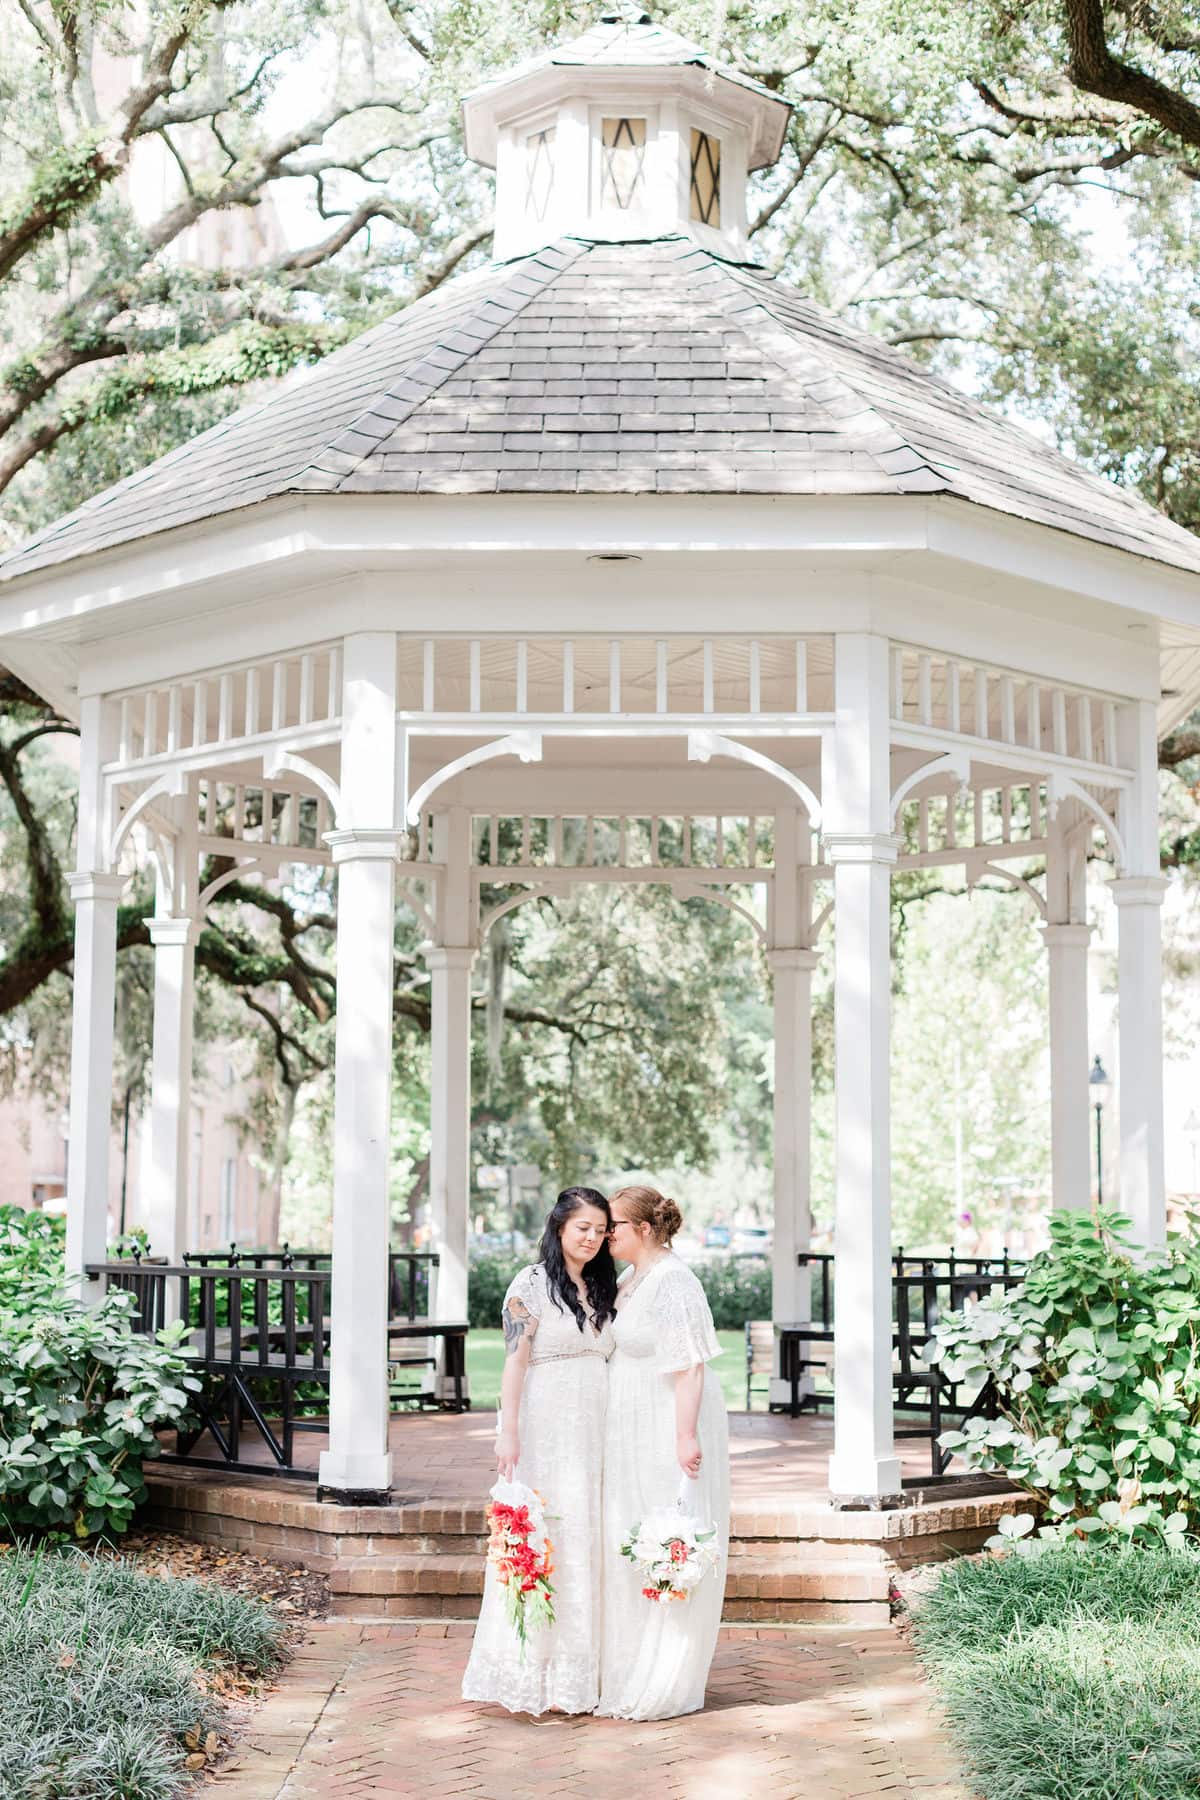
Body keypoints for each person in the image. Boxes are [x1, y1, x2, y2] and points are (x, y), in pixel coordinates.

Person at [461, 1187, 617, 1716]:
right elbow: (514, 1362)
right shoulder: (530, 1284)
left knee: (589, 1536)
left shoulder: (604, 1284)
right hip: (548, 1421)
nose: (593, 1238)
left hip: (600, 1428)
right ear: (558, 1228)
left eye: (601, 1229)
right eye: (583, 1228)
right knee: (552, 1532)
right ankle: (536, 1673)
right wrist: (507, 1429)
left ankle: (588, 1673)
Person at [596, 1184, 729, 1721]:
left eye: (615, 1228)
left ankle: (666, 1673)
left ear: (644, 1230)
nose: (607, 1238)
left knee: (664, 1532)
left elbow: (689, 1365)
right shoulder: (635, 1277)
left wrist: (685, 1436)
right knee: (630, 1532)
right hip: (629, 1422)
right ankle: (630, 1663)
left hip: (662, 1421)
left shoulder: (674, 1281)